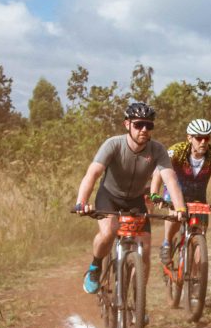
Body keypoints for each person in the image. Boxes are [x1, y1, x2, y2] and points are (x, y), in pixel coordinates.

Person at [74, 102, 187, 294]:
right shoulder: (113, 144)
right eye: (138, 124)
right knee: (108, 232)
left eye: (149, 125)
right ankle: (95, 268)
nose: (144, 129)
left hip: (136, 200)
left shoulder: (157, 149)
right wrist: (81, 202)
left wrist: (180, 209)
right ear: (127, 124)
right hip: (109, 196)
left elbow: (170, 179)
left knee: (145, 251)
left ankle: (138, 301)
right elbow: (92, 173)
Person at [150, 118, 211, 266]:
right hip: (174, 192)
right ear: (189, 138)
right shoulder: (177, 150)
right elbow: (159, 172)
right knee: (174, 215)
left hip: (198, 195)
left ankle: (198, 271)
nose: (203, 142)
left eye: (207, 138)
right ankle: (167, 242)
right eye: (199, 138)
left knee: (201, 232)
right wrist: (154, 193)